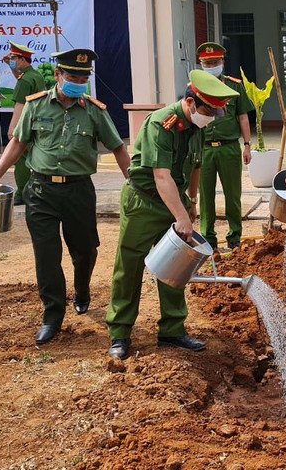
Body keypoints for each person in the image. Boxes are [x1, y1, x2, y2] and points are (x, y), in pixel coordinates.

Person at [0, 49, 130, 346]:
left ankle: (83, 289)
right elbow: (18, 143)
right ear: (59, 75)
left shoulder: (94, 110)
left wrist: (134, 182)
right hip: (41, 190)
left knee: (85, 249)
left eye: (83, 77)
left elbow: (117, 147)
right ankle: (52, 315)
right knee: (47, 255)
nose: (78, 81)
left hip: (78, 190)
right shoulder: (36, 107)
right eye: (73, 76)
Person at [105, 70, 239, 360]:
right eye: (208, 111)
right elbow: (161, 177)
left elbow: (196, 166)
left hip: (174, 201)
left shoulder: (197, 127)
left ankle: (172, 330)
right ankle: (120, 333)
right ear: (190, 103)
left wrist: (191, 202)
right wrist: (182, 218)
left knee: (175, 266)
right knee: (129, 267)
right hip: (144, 202)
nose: (211, 117)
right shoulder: (161, 124)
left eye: (216, 112)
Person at [196, 42, 254, 250]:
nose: (211, 66)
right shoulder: (193, 88)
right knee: (206, 196)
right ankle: (208, 238)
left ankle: (235, 236)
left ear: (222, 62)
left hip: (229, 147)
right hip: (204, 149)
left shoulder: (234, 86)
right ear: (201, 64)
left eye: (214, 62)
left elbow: (243, 117)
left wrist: (247, 145)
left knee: (233, 194)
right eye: (207, 63)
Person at [2, 41, 46, 202]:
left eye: (13, 57)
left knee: (20, 160)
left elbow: (20, 105)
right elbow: (19, 76)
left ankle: (23, 194)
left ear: (22, 59)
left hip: (27, 125)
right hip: (38, 123)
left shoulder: (25, 81)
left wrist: (13, 129)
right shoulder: (34, 75)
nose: (10, 59)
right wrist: (11, 66)